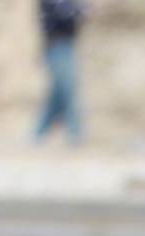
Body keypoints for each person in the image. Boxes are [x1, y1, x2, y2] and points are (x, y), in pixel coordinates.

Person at [33, 0, 85, 146]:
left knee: (58, 93)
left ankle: (37, 133)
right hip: (56, 46)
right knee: (67, 89)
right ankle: (75, 134)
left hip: (65, 45)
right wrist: (84, 10)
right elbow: (69, 14)